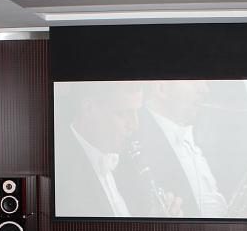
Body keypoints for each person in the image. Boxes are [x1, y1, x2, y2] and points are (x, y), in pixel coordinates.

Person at [55, 83, 182, 218]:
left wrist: (154, 220)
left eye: (137, 112)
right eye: (123, 113)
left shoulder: (130, 163)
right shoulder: (60, 173)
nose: (135, 126)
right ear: (89, 109)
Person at [135, 80, 228, 218]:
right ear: (161, 88)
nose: (205, 89)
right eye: (195, 80)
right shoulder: (135, 146)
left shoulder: (202, 135)